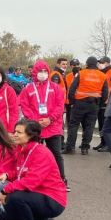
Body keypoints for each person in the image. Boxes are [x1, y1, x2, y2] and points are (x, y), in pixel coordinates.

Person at [0, 121, 67, 220]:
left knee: (16, 197)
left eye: (19, 132)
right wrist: (7, 175)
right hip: (37, 194)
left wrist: (6, 190)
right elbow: (20, 171)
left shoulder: (41, 153)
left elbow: (32, 181)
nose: (14, 134)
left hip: (53, 199)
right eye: (15, 131)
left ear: (31, 135)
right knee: (10, 192)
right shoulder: (22, 149)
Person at [19, 60, 66, 188]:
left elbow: (60, 106)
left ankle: (61, 180)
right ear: (35, 72)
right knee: (34, 153)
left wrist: (50, 119)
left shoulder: (55, 87)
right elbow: (24, 105)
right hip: (35, 127)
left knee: (56, 153)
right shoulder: (28, 88)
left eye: (45, 71)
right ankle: (34, 179)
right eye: (40, 71)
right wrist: (35, 121)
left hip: (53, 126)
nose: (43, 73)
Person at [64, 57, 108, 155]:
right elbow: (105, 93)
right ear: (96, 64)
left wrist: (72, 102)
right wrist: (99, 105)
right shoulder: (102, 75)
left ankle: (70, 147)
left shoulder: (81, 73)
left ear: (87, 63)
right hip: (94, 104)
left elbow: (72, 89)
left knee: (73, 125)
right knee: (89, 126)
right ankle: (85, 148)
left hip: (79, 102)